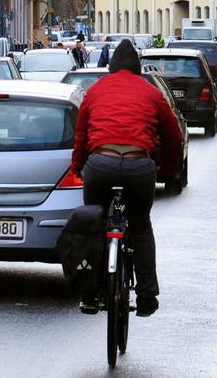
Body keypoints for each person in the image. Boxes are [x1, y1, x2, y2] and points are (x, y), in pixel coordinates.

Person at [70, 39, 184, 317]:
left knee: (95, 223)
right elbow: (173, 137)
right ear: (138, 69)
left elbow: (81, 137)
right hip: (138, 166)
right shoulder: (151, 93)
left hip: (100, 164)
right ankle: (147, 295)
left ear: (110, 68)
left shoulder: (94, 92)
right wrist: (169, 170)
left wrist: (77, 168)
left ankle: (90, 292)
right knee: (141, 226)